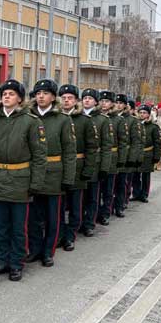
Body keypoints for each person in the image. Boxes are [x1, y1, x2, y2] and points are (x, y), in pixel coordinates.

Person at [0, 79, 46, 281]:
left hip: (20, 180)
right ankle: (3, 261)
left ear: (20, 98)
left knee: (18, 227)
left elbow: (39, 156)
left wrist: (35, 183)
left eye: (11, 94)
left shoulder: (31, 121)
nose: (6, 97)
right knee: (1, 225)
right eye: (4, 94)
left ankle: (16, 263)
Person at [26, 80, 76, 267]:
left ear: (53, 97)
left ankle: (48, 251)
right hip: (32, 173)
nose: (41, 96)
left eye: (45, 93)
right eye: (38, 93)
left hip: (54, 174)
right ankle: (35, 249)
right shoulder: (28, 117)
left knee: (53, 217)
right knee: (33, 217)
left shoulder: (63, 120)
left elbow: (69, 152)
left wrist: (68, 178)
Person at [58, 85, 99, 251]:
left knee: (75, 205)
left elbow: (92, 147)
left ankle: (70, 236)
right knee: (58, 206)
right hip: (58, 169)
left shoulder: (84, 121)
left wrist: (88, 170)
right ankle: (59, 234)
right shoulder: (56, 118)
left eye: (70, 98)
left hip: (77, 167)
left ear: (76, 101)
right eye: (64, 98)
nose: (66, 101)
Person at [80, 88, 113, 237]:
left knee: (92, 196)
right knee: (79, 196)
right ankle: (78, 221)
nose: (86, 100)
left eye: (90, 98)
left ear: (95, 102)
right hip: (80, 162)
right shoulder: (76, 117)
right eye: (84, 98)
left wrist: (105, 167)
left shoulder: (102, 120)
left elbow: (107, 146)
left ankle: (89, 223)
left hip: (95, 162)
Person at [97, 91, 124, 226]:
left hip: (111, 157)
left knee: (108, 189)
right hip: (97, 157)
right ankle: (95, 212)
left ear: (112, 104)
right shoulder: (94, 117)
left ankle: (105, 213)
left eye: (107, 101)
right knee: (96, 190)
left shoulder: (118, 120)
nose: (103, 103)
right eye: (101, 100)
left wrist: (120, 160)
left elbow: (122, 142)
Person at [114, 96, 143, 217]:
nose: (118, 105)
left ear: (126, 105)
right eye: (116, 102)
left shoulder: (132, 120)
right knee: (111, 185)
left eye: (121, 103)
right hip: (113, 155)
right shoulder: (112, 118)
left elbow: (136, 141)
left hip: (125, 155)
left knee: (122, 183)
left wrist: (132, 158)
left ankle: (120, 205)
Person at [132, 105, 161, 203]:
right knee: (135, 175)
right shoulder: (135, 125)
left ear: (148, 114)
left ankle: (144, 194)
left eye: (144, 112)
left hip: (147, 153)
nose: (142, 114)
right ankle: (136, 193)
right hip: (136, 153)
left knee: (145, 176)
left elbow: (157, 142)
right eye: (140, 112)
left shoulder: (153, 127)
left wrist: (157, 156)